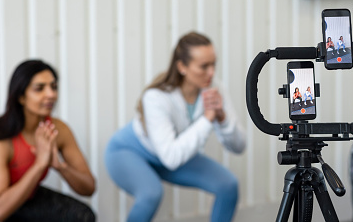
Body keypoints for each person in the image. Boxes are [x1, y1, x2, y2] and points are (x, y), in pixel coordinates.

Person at [104, 32, 246, 222]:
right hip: (129, 151)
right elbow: (171, 158)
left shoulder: (214, 87)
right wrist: (207, 119)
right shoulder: (156, 97)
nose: (211, 73)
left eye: (214, 64)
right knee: (151, 193)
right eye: (204, 66)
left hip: (171, 152)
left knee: (228, 185)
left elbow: (239, 146)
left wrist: (222, 118)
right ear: (182, 67)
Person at [0, 60, 96, 222]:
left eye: (53, 87)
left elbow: (89, 188)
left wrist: (60, 166)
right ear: (21, 97)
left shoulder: (58, 130)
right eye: (39, 88)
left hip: (24, 194)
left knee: (83, 216)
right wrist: (39, 164)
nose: (51, 94)